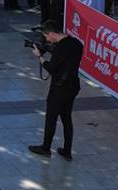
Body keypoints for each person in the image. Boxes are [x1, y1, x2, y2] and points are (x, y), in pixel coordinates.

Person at [29, 19, 84, 160]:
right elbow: (65, 60)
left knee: (51, 118)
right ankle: (67, 150)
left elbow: (52, 68)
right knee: (66, 118)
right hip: (73, 86)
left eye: (46, 36)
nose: (46, 39)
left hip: (59, 88)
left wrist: (40, 57)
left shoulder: (60, 48)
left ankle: (45, 148)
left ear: (52, 34)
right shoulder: (76, 43)